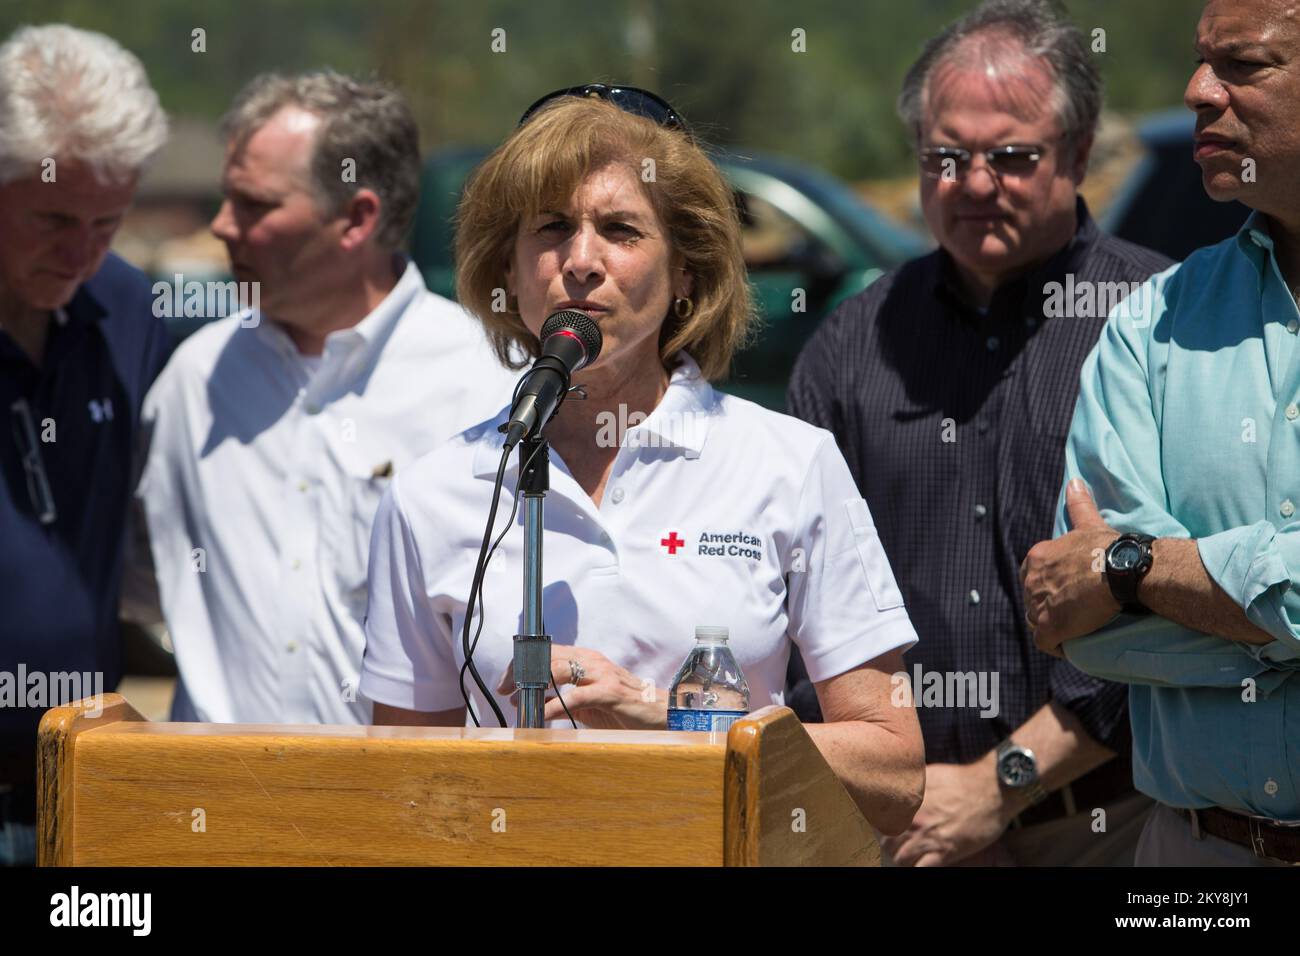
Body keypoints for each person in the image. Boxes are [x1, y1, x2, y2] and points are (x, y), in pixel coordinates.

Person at [359, 86, 926, 833]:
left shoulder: (789, 462)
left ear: (686, 273)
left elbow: (893, 771)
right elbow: (401, 788)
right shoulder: (430, 495)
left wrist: (673, 720)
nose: (582, 261)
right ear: (509, 267)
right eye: (552, 228)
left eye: (621, 230)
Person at [787, 0, 1171, 865]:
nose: (975, 183)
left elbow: (1182, 607)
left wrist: (999, 782)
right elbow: (799, 597)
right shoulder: (853, 344)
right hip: (898, 834)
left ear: (1078, 152)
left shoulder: (1158, 325)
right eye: (946, 157)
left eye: (1012, 156)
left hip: (1105, 827)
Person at [132, 72, 517, 725]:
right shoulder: (193, 381)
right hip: (210, 815)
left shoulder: (491, 389)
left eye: (255, 205)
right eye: (228, 199)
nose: (223, 226)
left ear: (357, 218)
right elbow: (144, 577)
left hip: (405, 815)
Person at [1022, 0, 1300, 866]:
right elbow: (1094, 630)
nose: (1196, 91)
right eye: (1198, 60)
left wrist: (1132, 566)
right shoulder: (1156, 320)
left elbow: (1105, 581)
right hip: (1192, 864)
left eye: (1243, 65)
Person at [0, 24, 170, 865]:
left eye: (109, 218)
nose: (83, 251)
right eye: (55, 217)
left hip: (84, 794)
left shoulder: (127, 307)